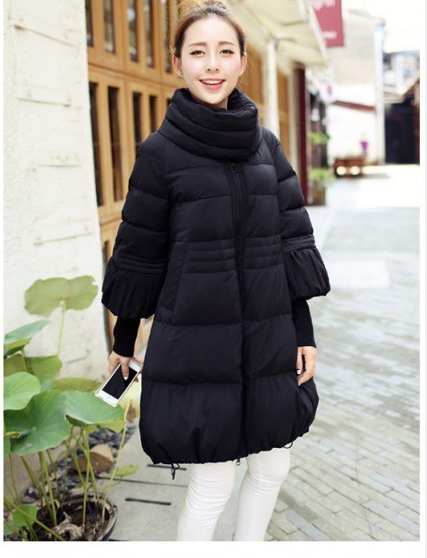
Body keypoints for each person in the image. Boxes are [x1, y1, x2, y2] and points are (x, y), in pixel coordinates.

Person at [101, 0, 330, 542]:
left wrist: (303, 333)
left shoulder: (267, 147)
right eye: (198, 52)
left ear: (243, 62)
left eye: (225, 51)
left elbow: (290, 244)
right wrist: (124, 341)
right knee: (213, 480)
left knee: (273, 465)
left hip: (270, 335)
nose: (212, 64)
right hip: (198, 342)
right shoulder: (160, 153)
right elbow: (139, 251)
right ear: (177, 62)